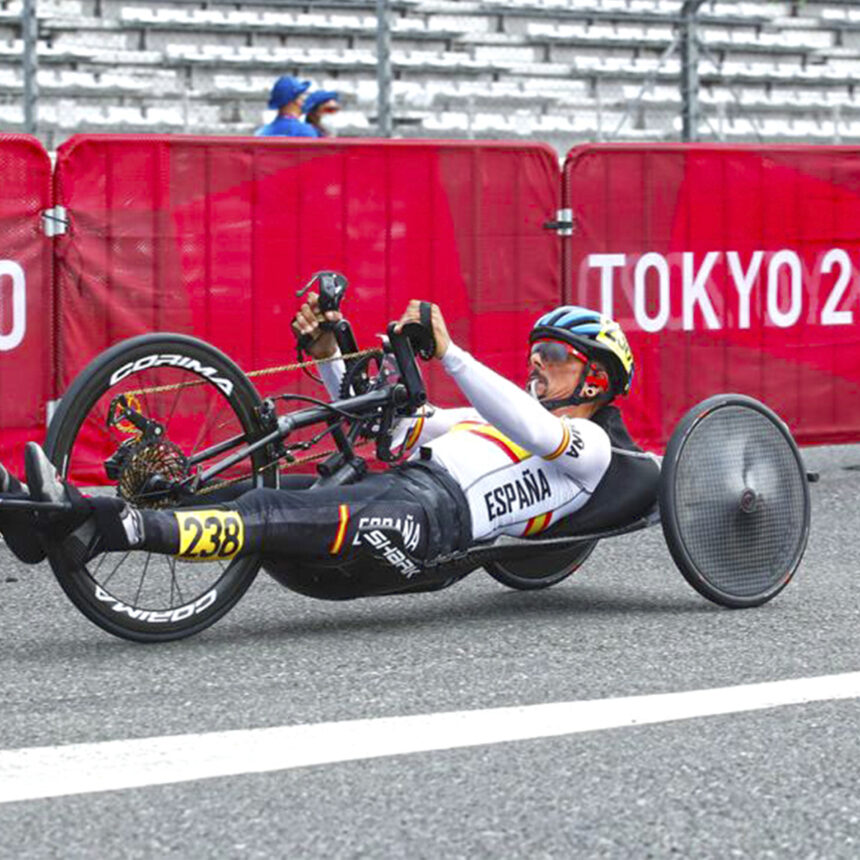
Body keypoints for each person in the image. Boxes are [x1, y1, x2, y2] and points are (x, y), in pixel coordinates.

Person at [0, 300, 658, 600]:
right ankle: (62, 520)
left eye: (552, 358)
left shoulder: (593, 447)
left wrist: (451, 353)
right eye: (533, 354)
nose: (535, 367)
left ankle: (101, 529)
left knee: (267, 507)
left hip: (430, 530)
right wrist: (328, 357)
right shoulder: (480, 420)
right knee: (260, 492)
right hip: (400, 499)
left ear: (596, 376)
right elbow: (389, 434)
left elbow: (542, 433)